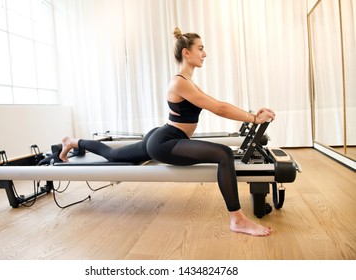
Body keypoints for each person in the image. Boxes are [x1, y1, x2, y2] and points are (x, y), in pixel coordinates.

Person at [60, 27, 275, 236]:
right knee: (224, 154)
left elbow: (219, 104)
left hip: (162, 136)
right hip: (166, 142)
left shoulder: (188, 82)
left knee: (114, 155)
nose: (205, 53)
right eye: (200, 48)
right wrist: (254, 119)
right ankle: (237, 219)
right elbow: (218, 108)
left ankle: (72, 141)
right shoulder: (180, 83)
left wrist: (251, 115)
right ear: (186, 52)